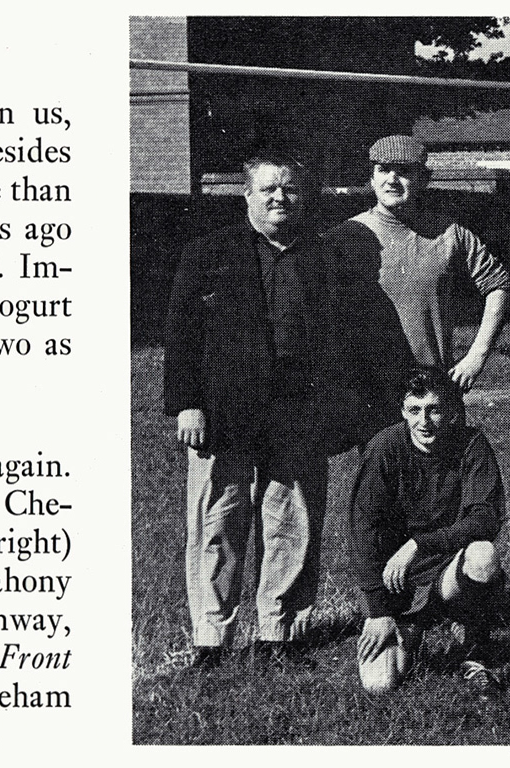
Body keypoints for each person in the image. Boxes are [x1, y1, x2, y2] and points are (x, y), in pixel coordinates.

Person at [164, 154, 337, 670]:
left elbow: (341, 339)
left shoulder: (323, 256)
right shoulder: (210, 252)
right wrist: (187, 403)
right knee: (218, 522)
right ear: (247, 195)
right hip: (224, 412)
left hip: (297, 411)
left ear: (303, 196)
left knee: (291, 520)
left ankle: (279, 632)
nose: (279, 197)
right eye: (268, 189)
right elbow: (182, 333)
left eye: (290, 188)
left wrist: (331, 410)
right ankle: (211, 637)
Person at [347, 366, 506, 696]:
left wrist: (419, 544)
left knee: (484, 556)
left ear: (451, 412)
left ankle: (473, 648)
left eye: (434, 409)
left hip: (446, 570)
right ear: (402, 411)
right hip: (397, 580)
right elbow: (363, 532)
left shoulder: (471, 444)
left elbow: (485, 519)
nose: (424, 421)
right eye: (414, 410)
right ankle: (411, 630)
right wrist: (378, 612)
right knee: (379, 684)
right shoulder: (384, 448)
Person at [327, 134, 510, 393]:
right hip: (367, 388)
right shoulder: (344, 237)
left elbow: (498, 285)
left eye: (403, 171)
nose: (392, 179)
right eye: (383, 170)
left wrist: (476, 356)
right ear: (372, 178)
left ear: (424, 179)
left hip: (433, 387)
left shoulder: (449, 234)